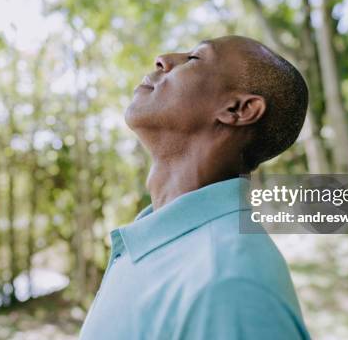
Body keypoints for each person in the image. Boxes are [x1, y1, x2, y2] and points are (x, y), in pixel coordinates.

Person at [79, 35, 311, 339]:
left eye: (194, 58)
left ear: (238, 109)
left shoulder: (230, 284)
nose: (163, 58)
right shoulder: (164, 242)